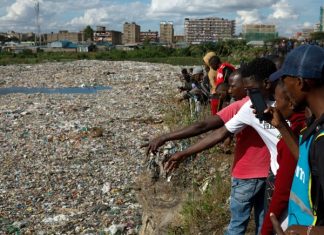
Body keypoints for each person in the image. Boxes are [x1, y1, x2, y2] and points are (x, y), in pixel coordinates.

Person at [147, 68, 272, 235]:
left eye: (233, 86)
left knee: (237, 226)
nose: (229, 90)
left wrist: (167, 138)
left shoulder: (244, 106)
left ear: (246, 85)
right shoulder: (277, 104)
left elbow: (204, 127)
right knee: (264, 226)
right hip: (272, 174)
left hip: (246, 175)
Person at [268, 45, 324, 230]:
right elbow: (307, 163)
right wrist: (281, 126)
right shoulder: (315, 123)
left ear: (300, 83)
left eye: (285, 80)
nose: (283, 88)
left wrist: (306, 232)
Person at [261, 80, 306, 234]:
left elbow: (282, 191)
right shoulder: (307, 125)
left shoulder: (296, 135)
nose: (274, 106)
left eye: (277, 100)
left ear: (291, 103)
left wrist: (265, 230)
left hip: (293, 217)